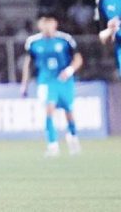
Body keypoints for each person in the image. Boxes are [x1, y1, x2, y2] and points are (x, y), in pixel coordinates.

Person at [20, 12, 83, 156]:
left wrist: (69, 70)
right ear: (40, 25)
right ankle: (53, 144)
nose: (47, 26)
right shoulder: (33, 42)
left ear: (55, 23)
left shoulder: (66, 40)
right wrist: (24, 84)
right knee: (49, 110)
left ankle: (72, 137)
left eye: (49, 22)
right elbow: (28, 64)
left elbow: (78, 59)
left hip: (64, 81)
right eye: (44, 23)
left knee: (69, 112)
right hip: (45, 81)